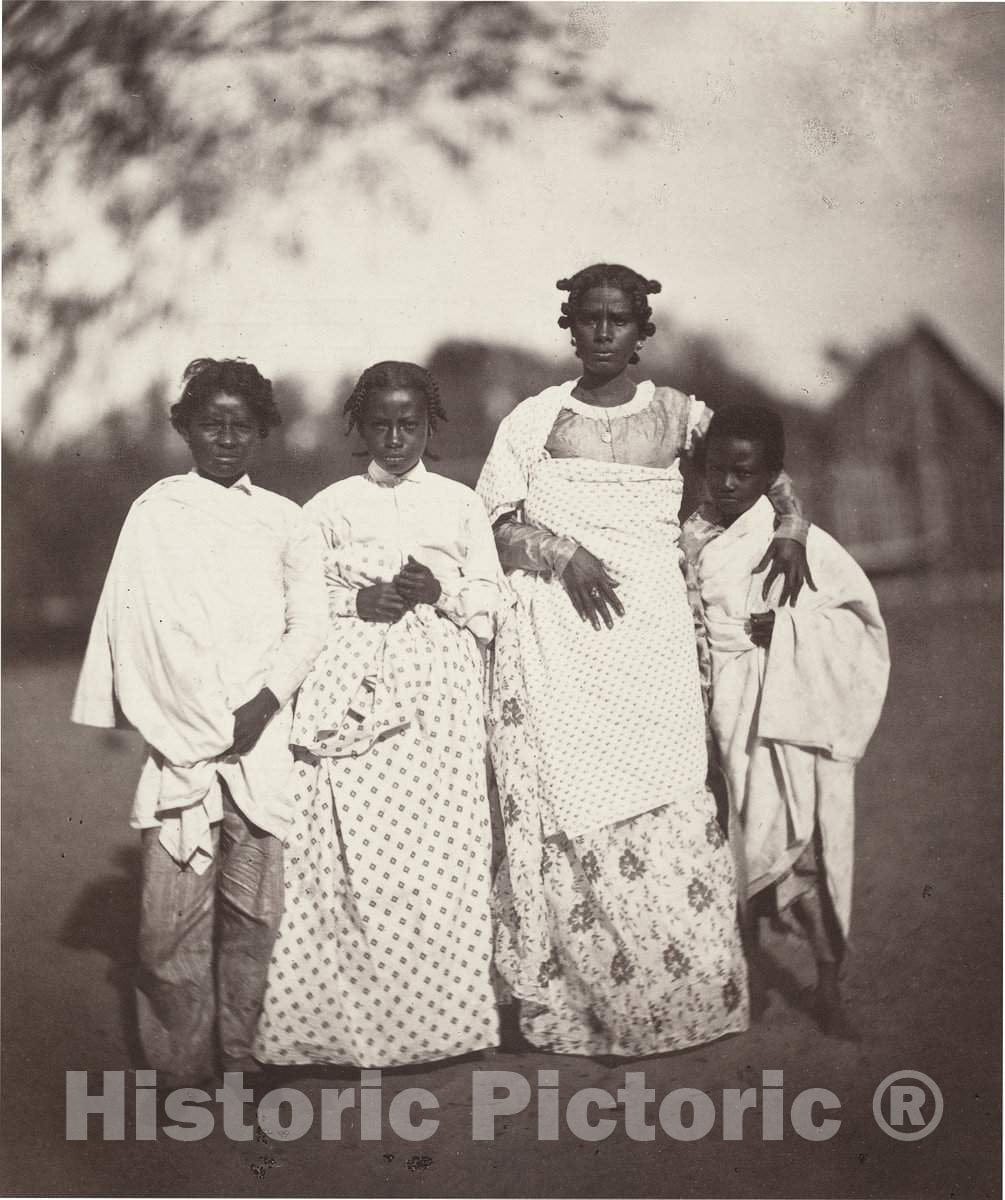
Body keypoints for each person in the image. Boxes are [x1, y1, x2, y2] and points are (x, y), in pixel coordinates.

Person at [475, 262, 814, 1057]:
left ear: (640, 331)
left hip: (651, 641)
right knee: (571, 803)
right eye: (587, 318)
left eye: (617, 320)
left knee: (671, 796)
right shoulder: (533, 419)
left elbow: (763, 470)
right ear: (569, 325)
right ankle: (582, 1009)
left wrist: (792, 527)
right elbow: (490, 523)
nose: (601, 332)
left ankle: (692, 1002)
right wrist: (562, 553)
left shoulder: (680, 415)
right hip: (560, 642)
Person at [72, 358, 328, 1087]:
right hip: (183, 745)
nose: (224, 438)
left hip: (262, 741)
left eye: (239, 426)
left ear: (262, 433)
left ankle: (242, 1058)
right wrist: (201, 725)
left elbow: (308, 624)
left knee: (253, 919)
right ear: (184, 427)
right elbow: (140, 632)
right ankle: (180, 1071)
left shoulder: (285, 519)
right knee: (168, 927)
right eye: (209, 424)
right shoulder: (158, 512)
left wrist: (263, 702)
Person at [254, 361, 506, 1069]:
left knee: (443, 860)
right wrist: (355, 603)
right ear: (358, 429)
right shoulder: (329, 506)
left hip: (441, 701)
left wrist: (444, 586)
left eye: (410, 424)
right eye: (381, 425)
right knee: (352, 855)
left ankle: (444, 1029)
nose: (396, 438)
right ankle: (349, 1030)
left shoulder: (460, 506)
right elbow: (294, 599)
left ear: (431, 426)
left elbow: (491, 601)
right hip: (352, 694)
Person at [681, 403, 889, 1038]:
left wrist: (789, 629)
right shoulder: (687, 534)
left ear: (772, 475)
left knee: (804, 846)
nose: (727, 485)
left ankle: (828, 984)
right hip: (709, 710)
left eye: (743, 473)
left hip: (780, 716)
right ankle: (743, 982)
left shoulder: (797, 540)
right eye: (717, 471)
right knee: (726, 850)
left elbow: (859, 622)